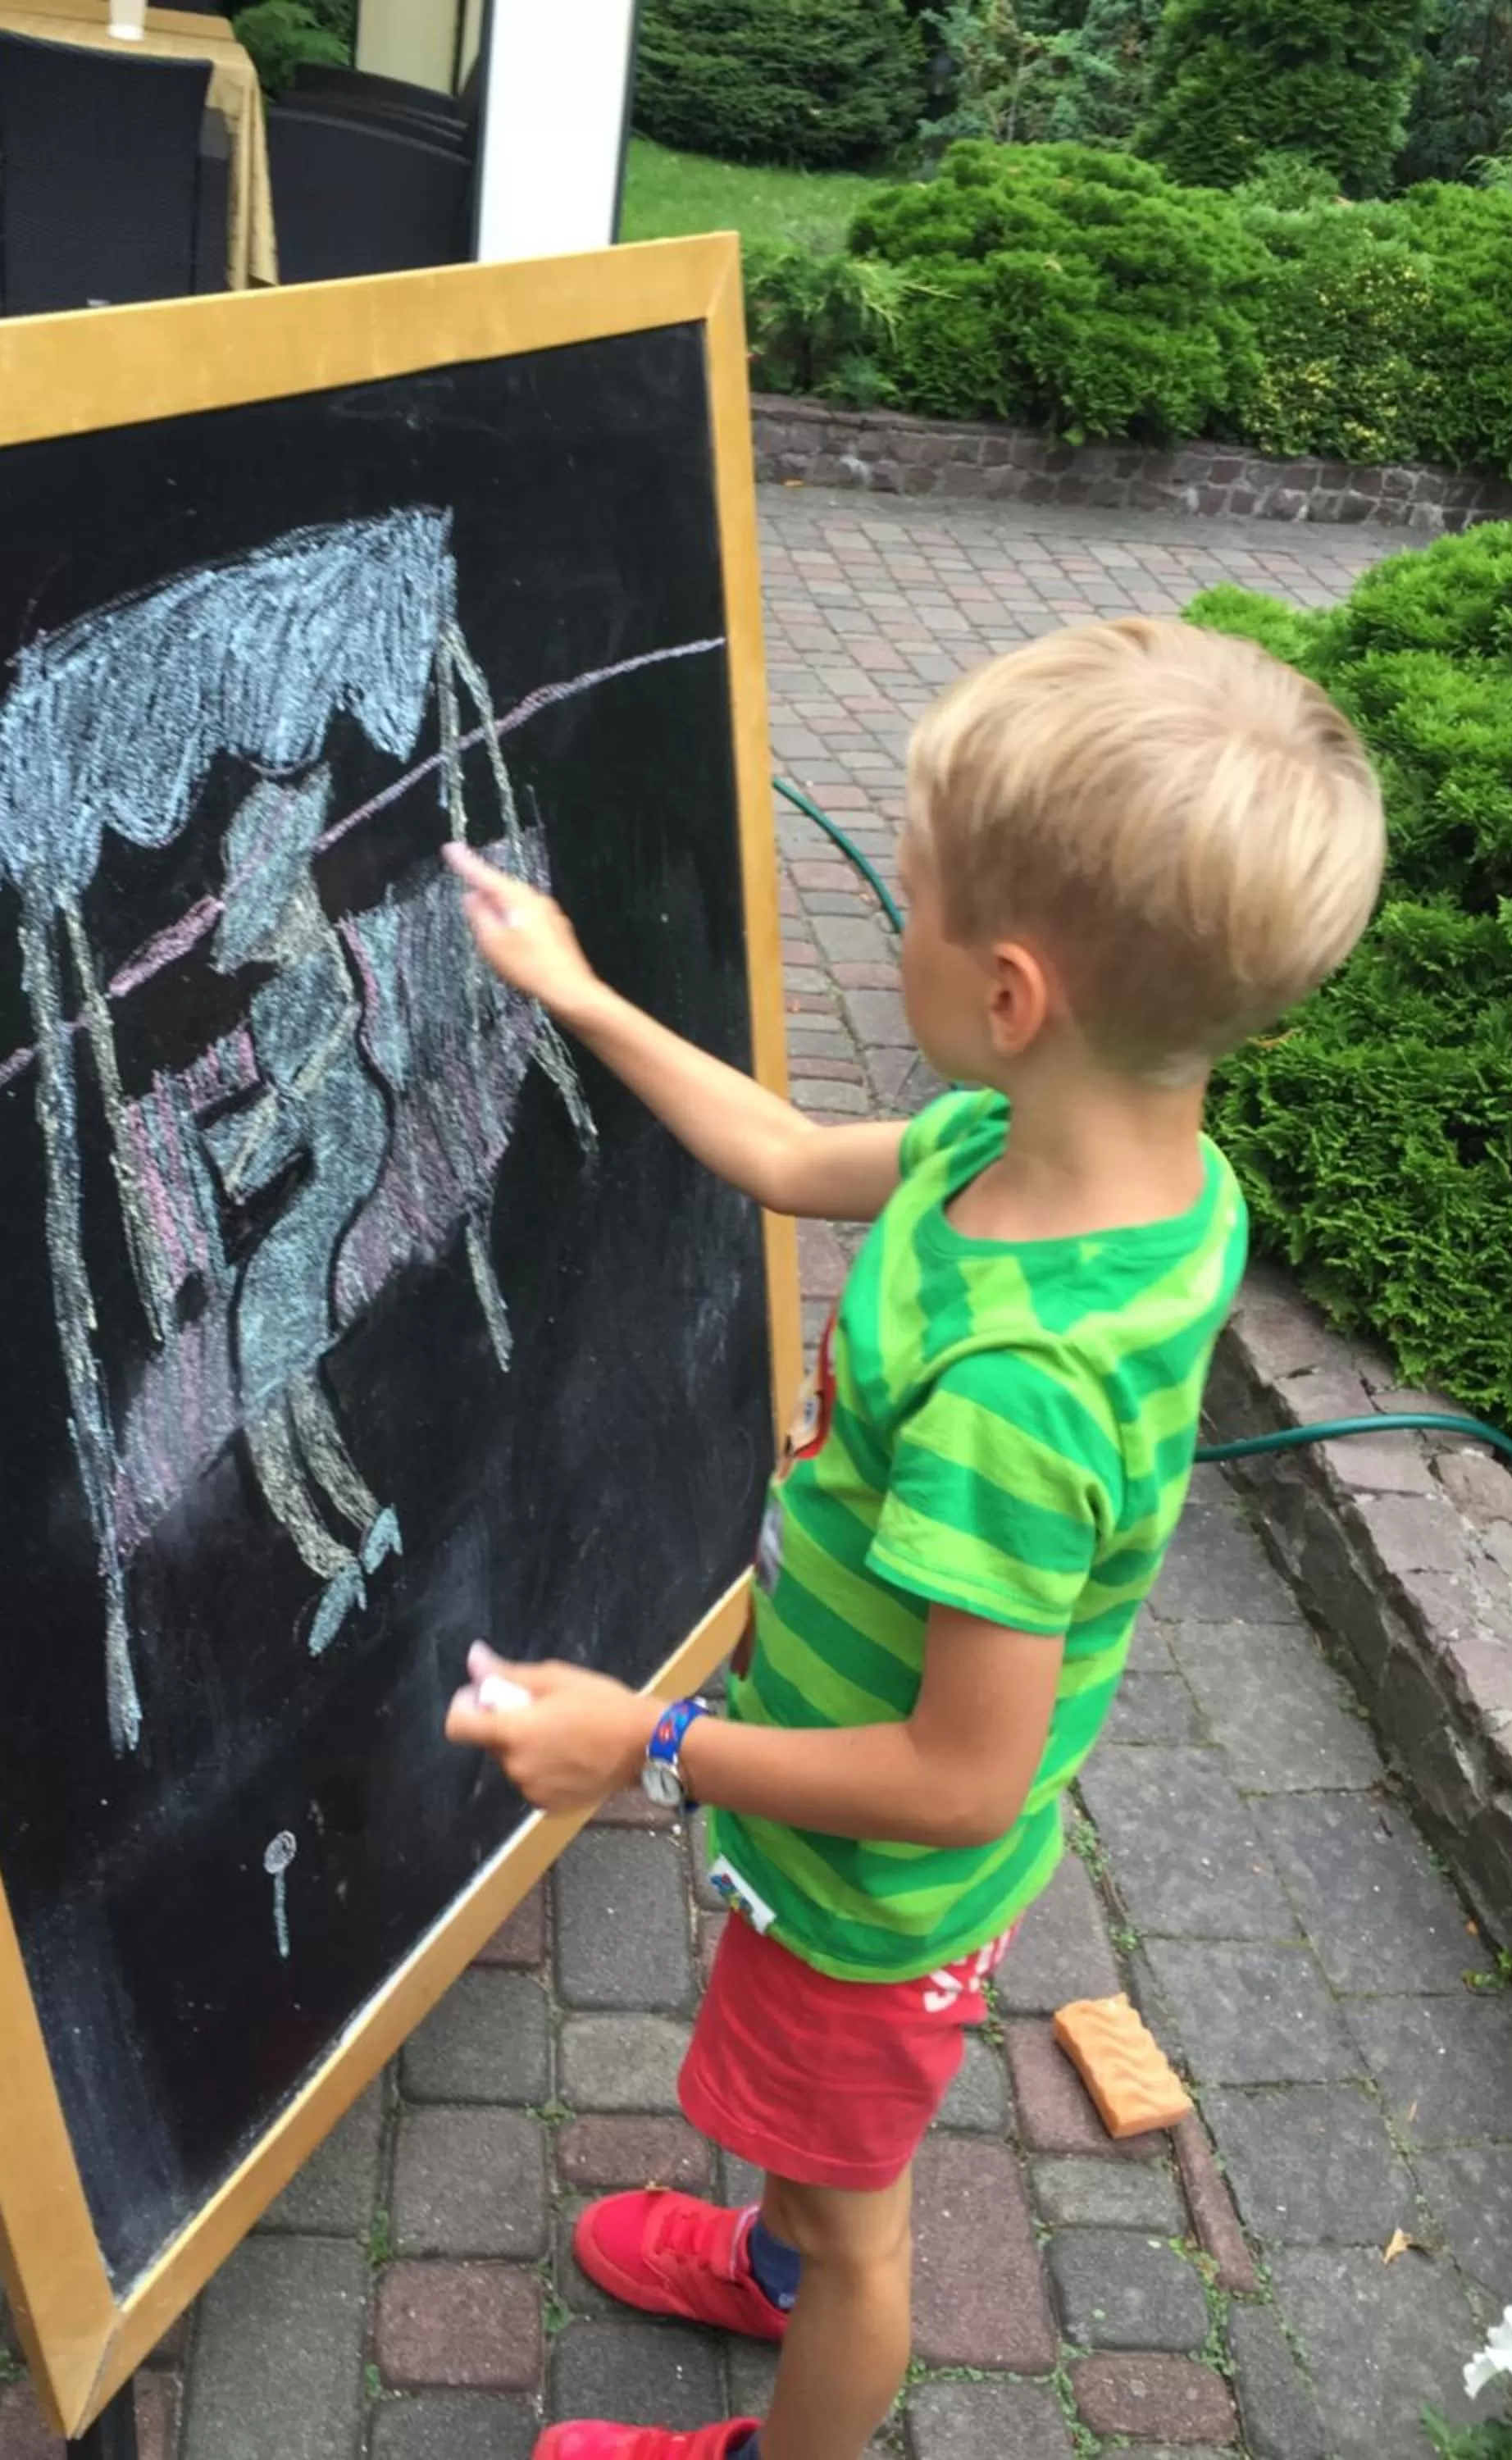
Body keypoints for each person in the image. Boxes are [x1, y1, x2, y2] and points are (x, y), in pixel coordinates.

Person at [441, 617, 1386, 2460]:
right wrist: (579, 992)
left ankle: (789, 2406)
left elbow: (963, 1776)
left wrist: (637, 1748)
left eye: (918, 897)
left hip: (877, 1901)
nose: (894, 925)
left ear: (1013, 992)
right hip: (857, 1860)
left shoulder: (1013, 1397)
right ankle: (769, 2263)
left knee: (868, 2224)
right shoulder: (1065, 1162)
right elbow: (794, 1158)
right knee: (814, 2158)